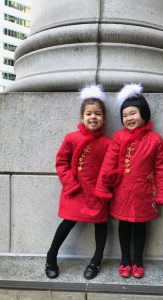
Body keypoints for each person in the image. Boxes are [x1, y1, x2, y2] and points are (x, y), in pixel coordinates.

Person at [94, 83, 163, 278]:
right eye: (125, 115)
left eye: (133, 113)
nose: (129, 118)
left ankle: (138, 259)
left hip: (144, 194)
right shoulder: (119, 137)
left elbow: (162, 168)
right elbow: (108, 164)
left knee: (140, 226)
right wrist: (103, 188)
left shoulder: (155, 139)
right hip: (122, 192)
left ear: (143, 113)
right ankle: (125, 259)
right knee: (124, 226)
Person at [45, 84, 110, 280]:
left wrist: (105, 188)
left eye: (98, 113)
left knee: (101, 224)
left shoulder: (108, 143)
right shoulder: (71, 138)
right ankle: (51, 257)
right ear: (81, 117)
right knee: (67, 223)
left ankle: (96, 260)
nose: (93, 117)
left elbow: (111, 169)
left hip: (97, 193)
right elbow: (61, 163)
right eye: (89, 113)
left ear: (104, 118)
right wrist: (70, 183)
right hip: (74, 191)